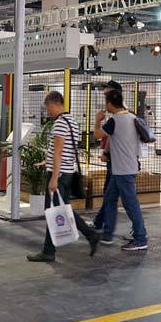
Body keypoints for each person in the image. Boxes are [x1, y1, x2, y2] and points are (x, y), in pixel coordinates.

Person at [27, 92, 100, 262]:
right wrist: (47, 162)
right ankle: (54, 248)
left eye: (48, 108)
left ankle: (51, 250)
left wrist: (53, 177)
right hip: (66, 172)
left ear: (53, 104)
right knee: (59, 210)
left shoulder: (60, 123)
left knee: (53, 211)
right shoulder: (71, 121)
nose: (48, 112)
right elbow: (66, 151)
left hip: (59, 175)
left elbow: (59, 152)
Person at [94, 89, 148, 251]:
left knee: (130, 204)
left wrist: (97, 120)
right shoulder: (131, 117)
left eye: (106, 103)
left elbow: (97, 134)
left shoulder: (114, 120)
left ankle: (140, 238)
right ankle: (108, 234)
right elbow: (114, 140)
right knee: (110, 198)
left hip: (123, 170)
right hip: (124, 168)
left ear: (110, 104)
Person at [92, 80, 123, 231]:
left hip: (118, 162)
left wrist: (106, 152)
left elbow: (104, 135)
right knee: (111, 194)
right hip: (120, 162)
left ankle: (107, 229)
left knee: (116, 197)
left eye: (107, 95)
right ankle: (100, 223)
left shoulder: (118, 117)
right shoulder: (123, 115)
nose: (105, 99)